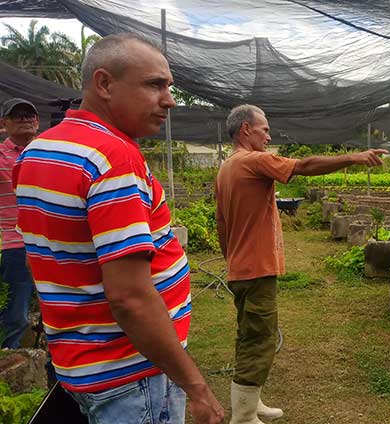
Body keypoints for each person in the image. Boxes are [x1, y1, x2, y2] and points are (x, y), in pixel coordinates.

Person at [13, 33, 224, 424]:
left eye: (169, 86)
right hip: (132, 372)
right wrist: (196, 386)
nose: (170, 100)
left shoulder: (38, 150)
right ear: (105, 84)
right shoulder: (112, 157)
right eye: (154, 85)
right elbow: (129, 296)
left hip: (81, 366)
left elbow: (43, 256)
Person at [215, 104, 387, 423]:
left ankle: (252, 402)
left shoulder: (227, 167)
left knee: (248, 334)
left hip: (242, 268)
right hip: (255, 269)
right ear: (245, 130)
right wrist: (353, 157)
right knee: (260, 338)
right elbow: (304, 166)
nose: (269, 135)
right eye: (264, 129)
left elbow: (221, 222)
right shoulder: (254, 160)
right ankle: (243, 416)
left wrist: (233, 259)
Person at [0, 98, 38, 349]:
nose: (24, 119)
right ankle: (8, 366)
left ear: (37, 122)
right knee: (16, 315)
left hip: (52, 244)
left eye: (28, 115)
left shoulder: (49, 151)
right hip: (15, 246)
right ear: (4, 124)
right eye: (17, 116)